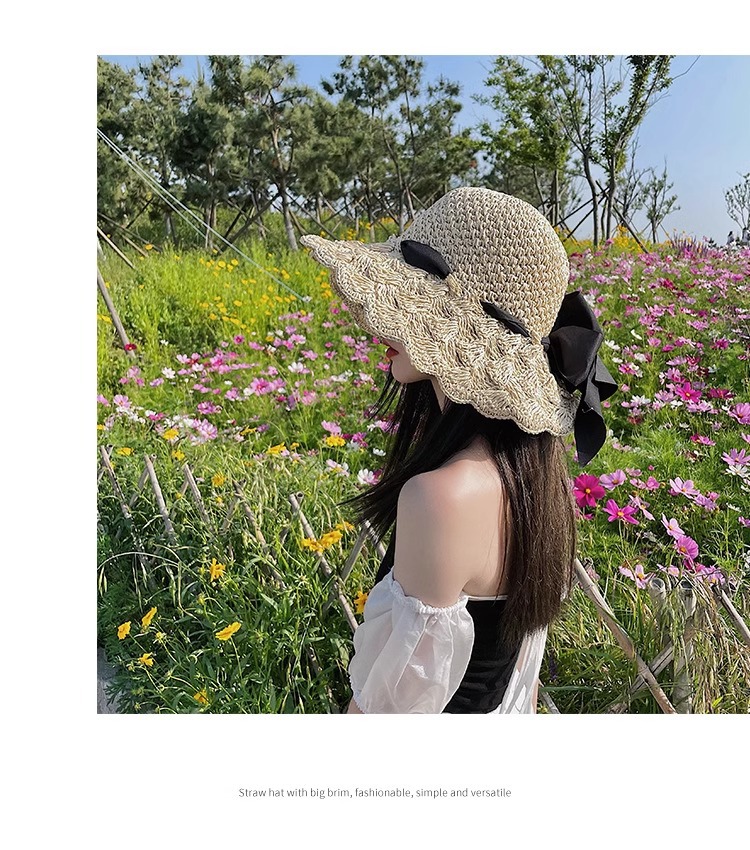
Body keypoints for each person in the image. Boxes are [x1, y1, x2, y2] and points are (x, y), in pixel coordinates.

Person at [301, 187, 617, 714]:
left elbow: (390, 715)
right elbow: (520, 680)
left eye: (410, 304)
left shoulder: (442, 497)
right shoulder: (535, 481)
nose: (381, 324)